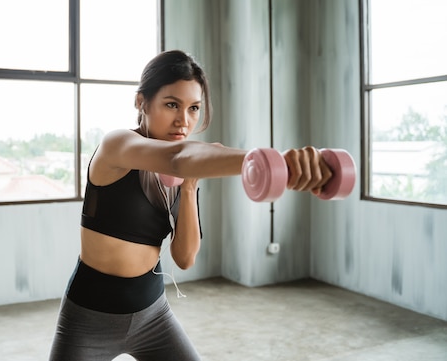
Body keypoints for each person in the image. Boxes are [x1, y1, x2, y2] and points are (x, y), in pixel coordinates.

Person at [48, 49, 332, 360]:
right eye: (172, 104)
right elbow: (177, 157)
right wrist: (279, 164)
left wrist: (189, 187)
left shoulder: (181, 172)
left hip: (152, 315)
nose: (183, 121)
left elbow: (185, 258)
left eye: (194, 108)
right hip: (89, 319)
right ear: (141, 102)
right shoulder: (116, 145)